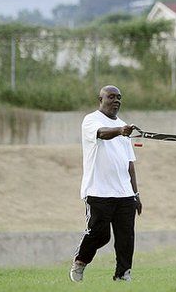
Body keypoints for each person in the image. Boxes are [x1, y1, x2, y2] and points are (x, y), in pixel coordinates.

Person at [69, 85, 142, 282]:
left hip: (124, 193)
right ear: (100, 99)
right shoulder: (91, 120)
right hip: (98, 191)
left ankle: (122, 275)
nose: (116, 100)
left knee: (126, 237)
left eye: (119, 97)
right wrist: (120, 131)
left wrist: (136, 194)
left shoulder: (124, 126)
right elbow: (101, 133)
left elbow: (130, 164)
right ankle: (81, 261)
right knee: (100, 234)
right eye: (111, 97)